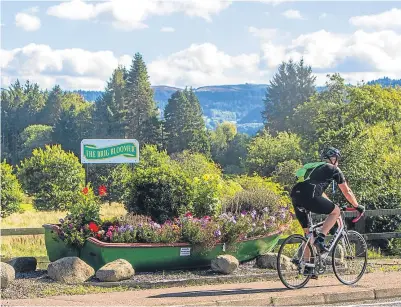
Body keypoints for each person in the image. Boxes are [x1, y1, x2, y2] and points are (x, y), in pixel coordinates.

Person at [290, 147, 365, 277]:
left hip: (296, 196)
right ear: (334, 159)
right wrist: (357, 206)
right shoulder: (334, 170)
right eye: (337, 159)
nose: (338, 162)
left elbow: (320, 192)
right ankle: (321, 238)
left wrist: (332, 205)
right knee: (336, 212)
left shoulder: (315, 168)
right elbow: (347, 191)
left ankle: (308, 267)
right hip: (310, 196)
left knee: (308, 234)